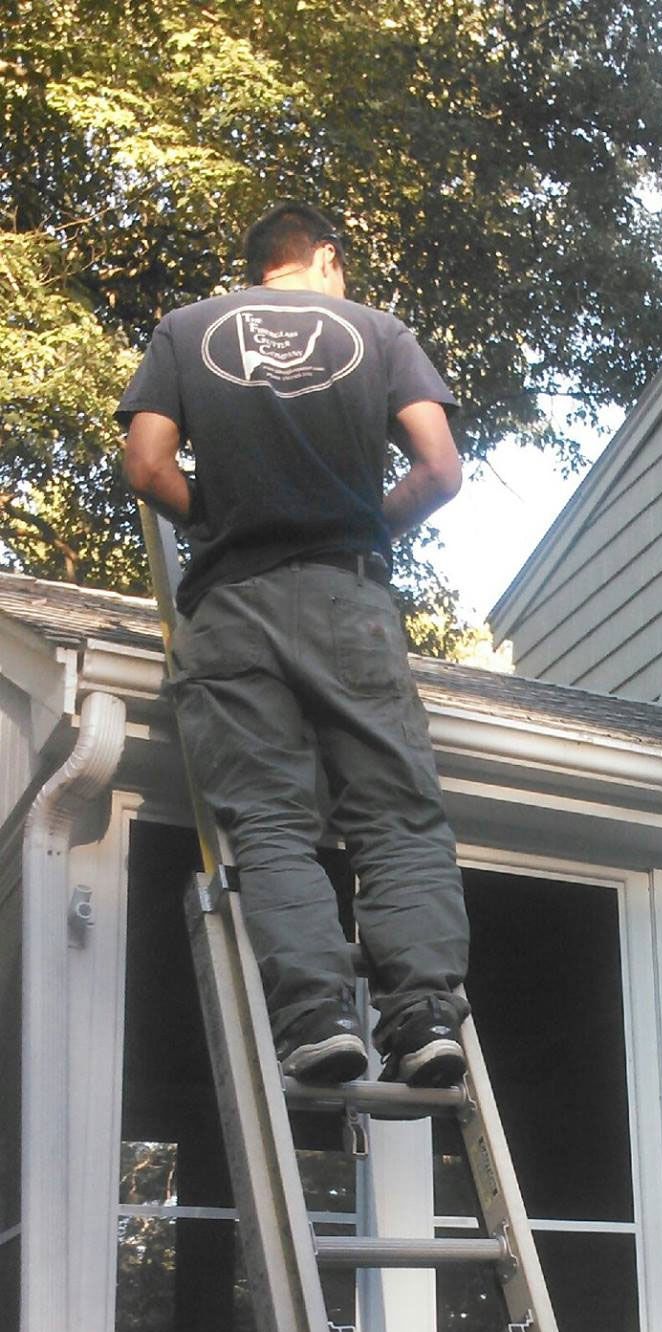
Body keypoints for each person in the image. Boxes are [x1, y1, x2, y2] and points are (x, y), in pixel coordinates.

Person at [117, 201, 470, 1088]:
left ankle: (315, 1020)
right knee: (394, 814)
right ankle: (424, 1017)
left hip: (231, 608)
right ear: (325, 258)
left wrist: (219, 523)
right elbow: (439, 469)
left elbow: (147, 465)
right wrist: (365, 523)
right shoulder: (380, 333)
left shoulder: (186, 330)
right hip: (348, 600)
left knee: (270, 819)